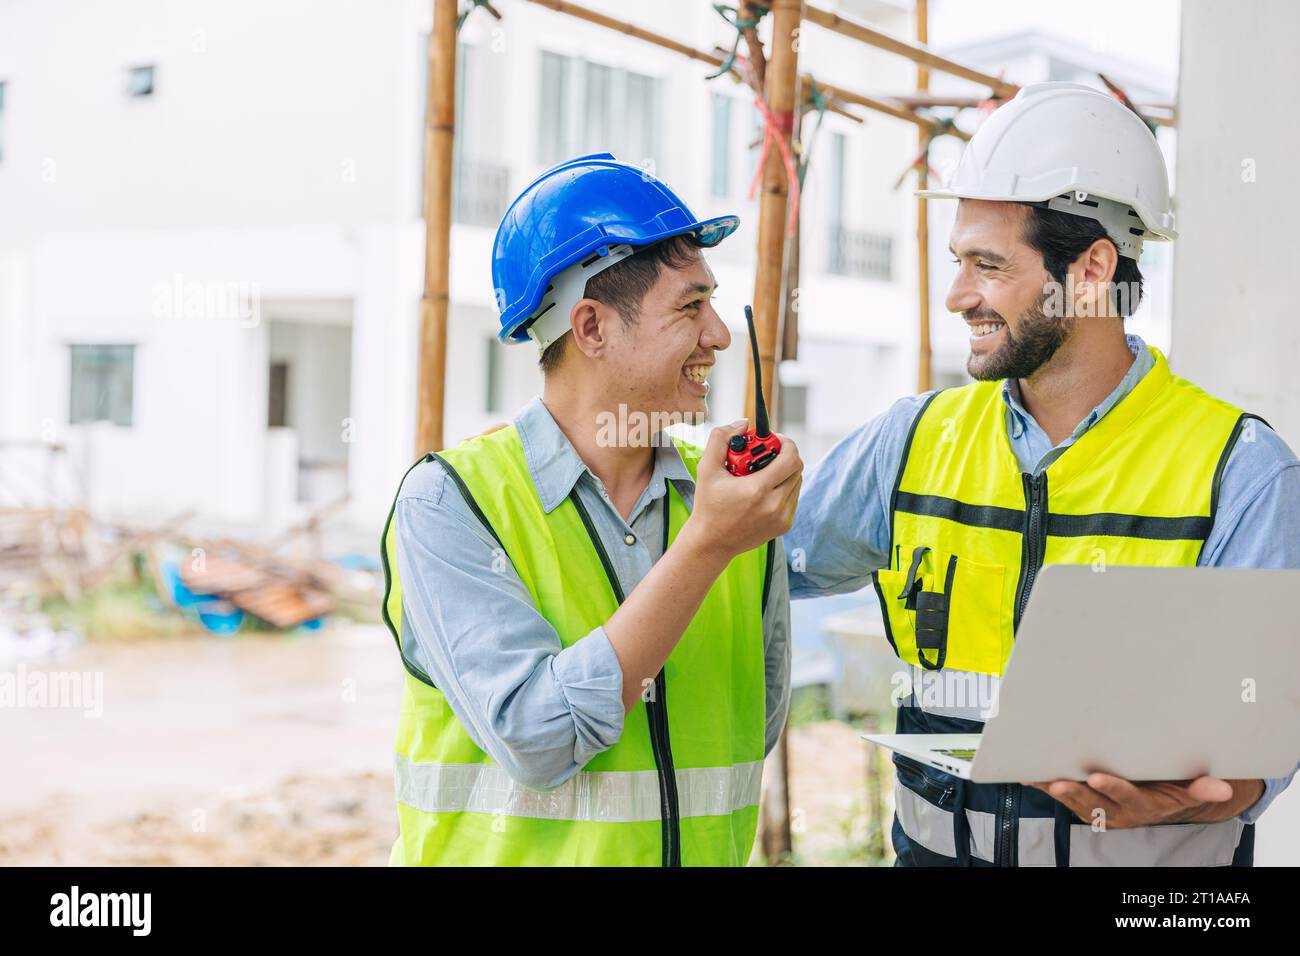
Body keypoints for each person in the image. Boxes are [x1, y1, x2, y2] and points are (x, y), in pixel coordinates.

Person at [787, 83, 1300, 866]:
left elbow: (1271, 718)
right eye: (959, 262)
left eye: (989, 266)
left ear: (1091, 269)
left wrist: (1223, 790)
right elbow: (755, 564)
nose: (959, 295)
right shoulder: (911, 440)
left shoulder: (1241, 471)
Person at [381, 153, 803, 865]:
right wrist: (704, 545)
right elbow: (537, 739)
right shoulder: (450, 503)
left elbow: (750, 725)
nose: (721, 336)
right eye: (691, 306)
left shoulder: (731, 500)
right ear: (592, 327)